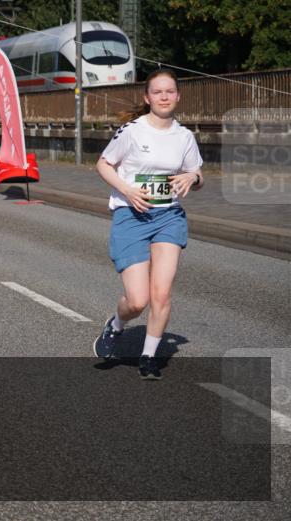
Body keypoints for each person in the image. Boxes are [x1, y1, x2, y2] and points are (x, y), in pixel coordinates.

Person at [92, 69, 203, 380]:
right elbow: (103, 164)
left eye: (170, 91)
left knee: (161, 294)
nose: (164, 97)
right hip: (131, 216)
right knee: (137, 300)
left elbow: (198, 175)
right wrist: (126, 189)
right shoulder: (132, 131)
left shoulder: (184, 136)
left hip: (169, 217)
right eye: (158, 92)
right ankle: (116, 324)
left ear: (178, 96)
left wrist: (192, 177)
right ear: (147, 97)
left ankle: (148, 357)